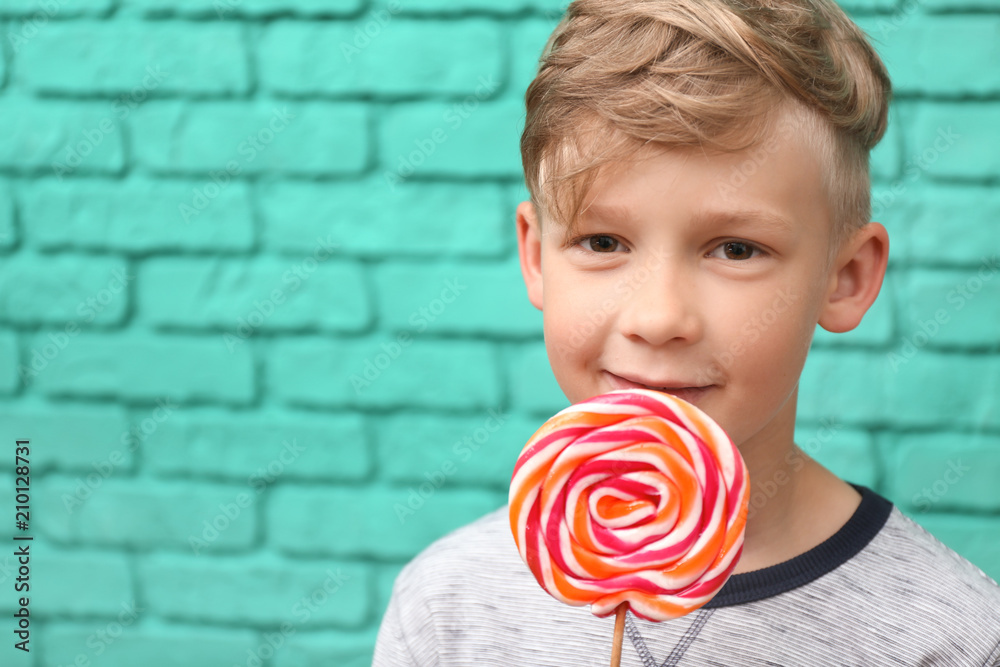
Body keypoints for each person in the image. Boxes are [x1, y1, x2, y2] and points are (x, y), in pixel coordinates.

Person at [372, 0, 1000, 664]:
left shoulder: (951, 636)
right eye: (603, 240)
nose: (659, 317)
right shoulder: (449, 608)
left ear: (844, 277)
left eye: (735, 249)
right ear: (535, 257)